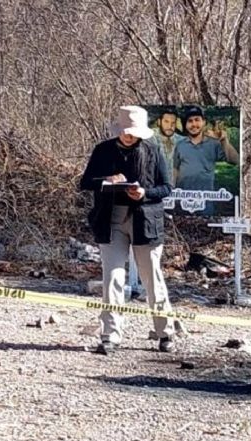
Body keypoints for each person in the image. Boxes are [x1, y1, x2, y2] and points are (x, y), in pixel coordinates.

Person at [79, 105, 176, 355]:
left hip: (145, 219)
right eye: (125, 131)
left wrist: (144, 193)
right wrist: (107, 181)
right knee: (112, 277)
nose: (128, 136)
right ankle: (110, 335)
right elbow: (85, 182)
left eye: (133, 132)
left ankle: (165, 332)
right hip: (110, 220)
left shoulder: (153, 149)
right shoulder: (103, 150)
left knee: (151, 277)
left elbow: (166, 187)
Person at [172, 105, 239, 194]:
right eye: (190, 121)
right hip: (183, 198)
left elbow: (235, 160)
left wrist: (224, 141)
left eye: (197, 120)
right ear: (186, 124)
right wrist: (172, 191)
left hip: (206, 200)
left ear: (203, 122)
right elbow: (175, 169)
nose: (194, 124)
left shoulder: (213, 144)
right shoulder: (180, 145)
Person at [152, 107, 183, 186]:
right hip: (155, 187)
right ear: (159, 122)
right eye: (166, 122)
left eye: (173, 123)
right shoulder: (150, 138)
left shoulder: (182, 141)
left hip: (178, 190)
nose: (170, 126)